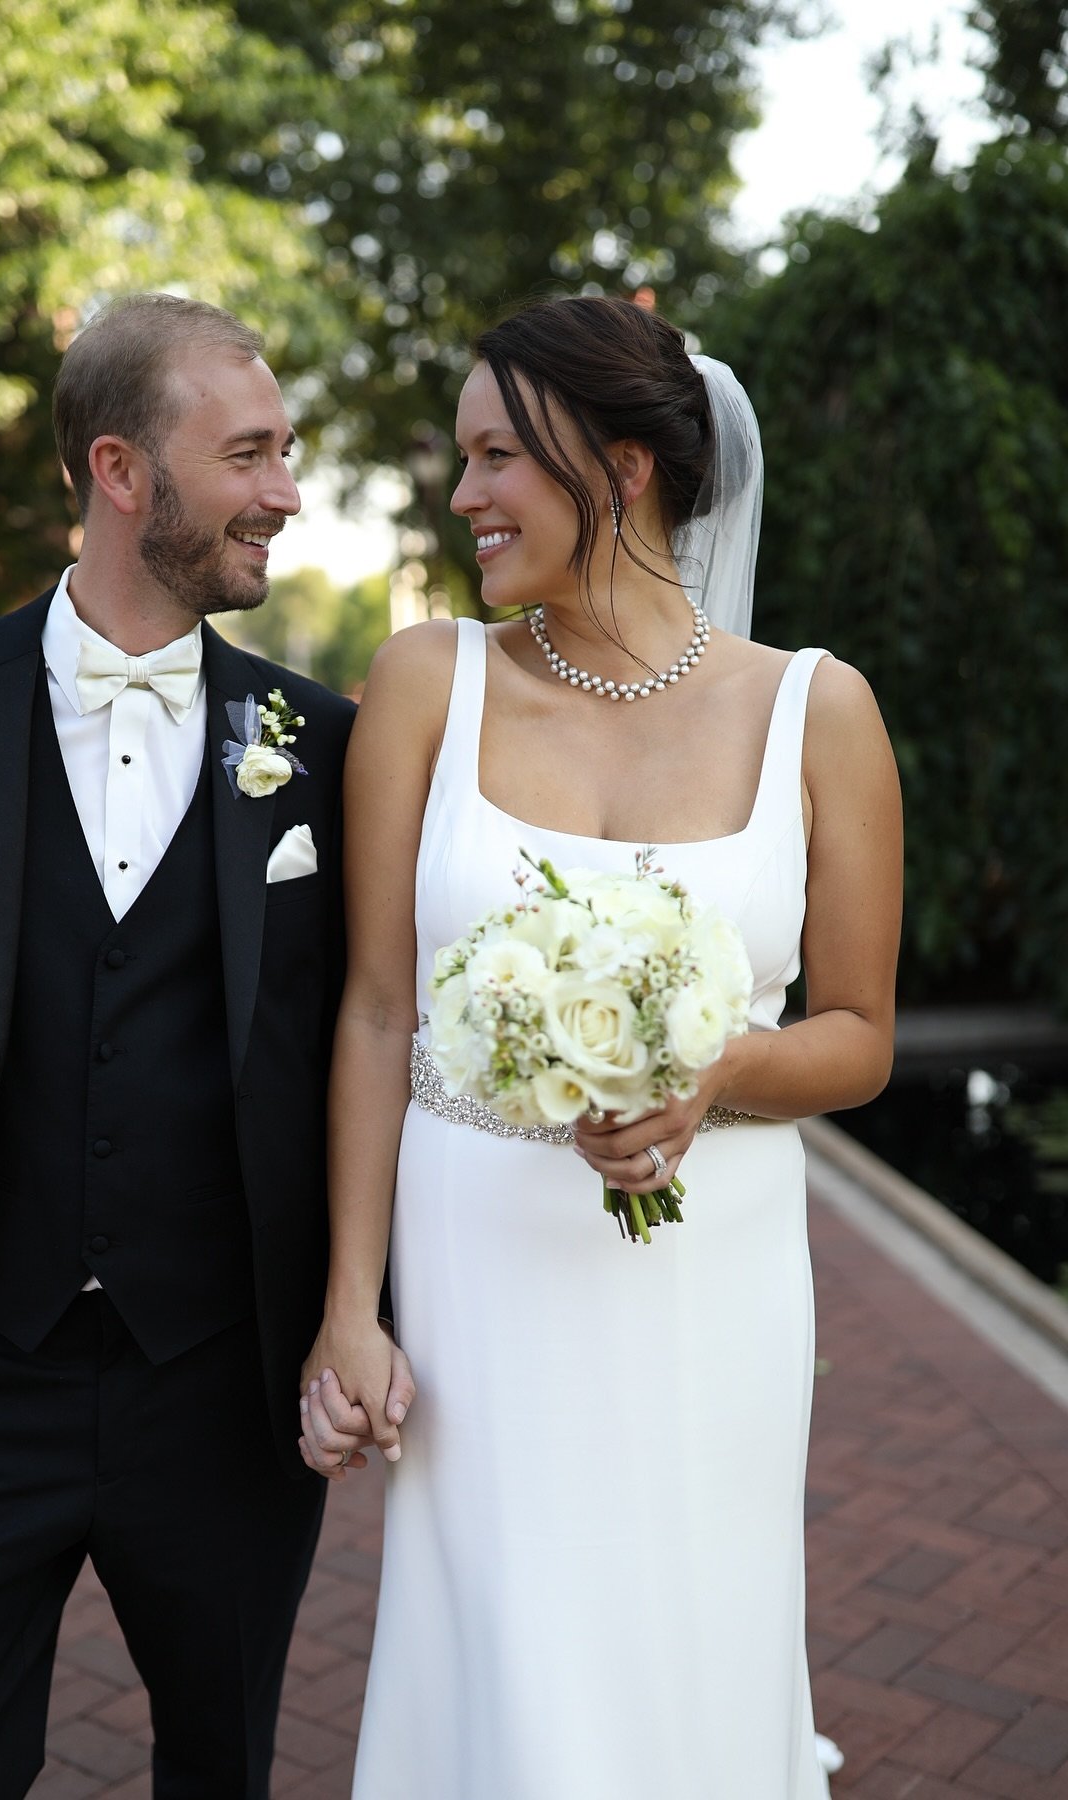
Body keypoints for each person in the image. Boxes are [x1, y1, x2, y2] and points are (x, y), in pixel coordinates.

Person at [0, 293, 409, 1800]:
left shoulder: (319, 739)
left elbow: (363, 1031)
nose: (284, 492)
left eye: (288, 453)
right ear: (124, 474)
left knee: (222, 1772)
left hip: (221, 1390)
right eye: (251, 454)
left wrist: (352, 1304)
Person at [297, 294, 902, 1797]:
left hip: (713, 1279)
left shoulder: (816, 713)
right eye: (462, 457)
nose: (463, 496)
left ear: (620, 468)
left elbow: (863, 1038)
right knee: (503, 1658)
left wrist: (724, 1076)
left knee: (691, 1646)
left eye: (498, 455)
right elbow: (376, 1009)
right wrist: (348, 1307)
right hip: (480, 1266)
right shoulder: (430, 684)